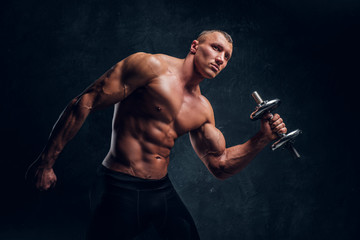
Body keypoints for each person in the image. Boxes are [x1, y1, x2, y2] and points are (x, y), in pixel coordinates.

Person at [26, 30, 287, 240]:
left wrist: (261, 138)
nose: (221, 59)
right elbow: (85, 102)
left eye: (227, 56)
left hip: (160, 191)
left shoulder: (203, 109)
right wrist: (46, 162)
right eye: (216, 48)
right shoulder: (151, 66)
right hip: (118, 188)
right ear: (195, 46)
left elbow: (219, 165)